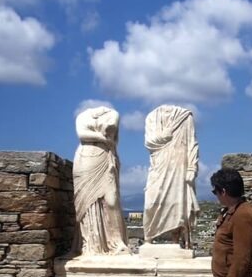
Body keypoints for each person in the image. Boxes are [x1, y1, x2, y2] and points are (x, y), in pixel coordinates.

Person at [72, 106, 130, 256]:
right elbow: (82, 134)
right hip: (85, 159)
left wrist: (100, 136)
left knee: (111, 200)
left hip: (106, 157)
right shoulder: (82, 115)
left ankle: (117, 242)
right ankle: (91, 244)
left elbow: (110, 131)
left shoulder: (113, 113)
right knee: (86, 202)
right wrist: (102, 138)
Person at [142, 105, 200, 248]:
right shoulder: (151, 116)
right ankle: (148, 238)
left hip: (180, 164)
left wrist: (192, 167)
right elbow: (149, 142)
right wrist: (164, 135)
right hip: (159, 164)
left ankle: (177, 241)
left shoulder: (185, 117)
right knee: (151, 203)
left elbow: (192, 143)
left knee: (178, 204)